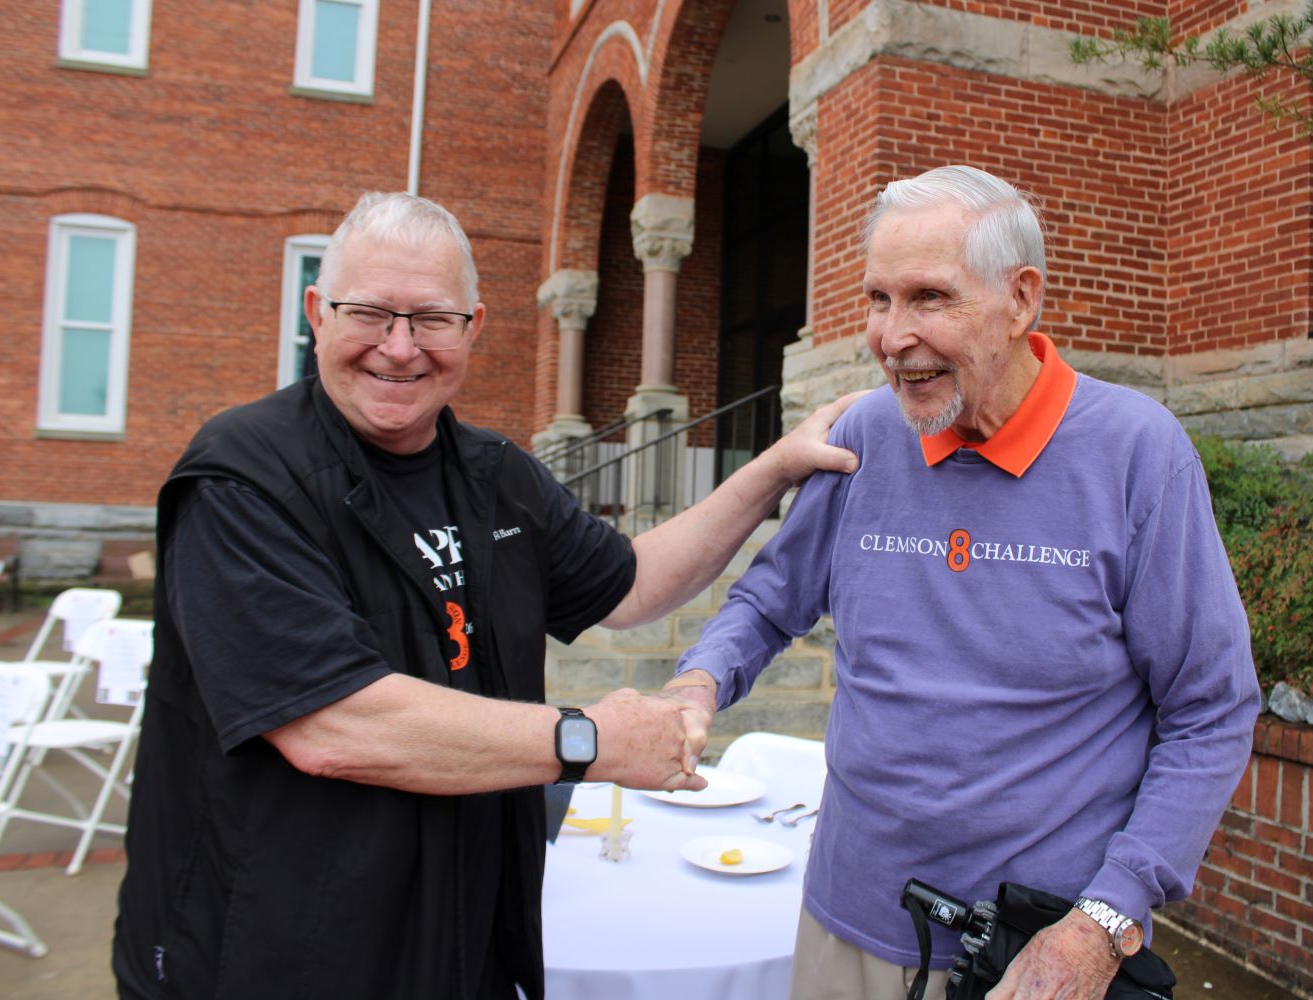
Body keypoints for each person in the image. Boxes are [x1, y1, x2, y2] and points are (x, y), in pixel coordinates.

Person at [112, 191, 860, 1000]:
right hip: (276, 950)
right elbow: (334, 726)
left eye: (431, 319)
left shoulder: (495, 476)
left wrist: (775, 468)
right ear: (316, 314)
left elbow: (632, 583)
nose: (399, 349)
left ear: (472, 326)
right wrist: (588, 741)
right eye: (370, 313)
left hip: (459, 933)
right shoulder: (243, 478)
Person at [664, 166, 1259, 1000]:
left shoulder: (1137, 454)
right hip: (846, 922)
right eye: (879, 299)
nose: (892, 336)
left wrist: (1104, 922)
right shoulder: (866, 435)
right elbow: (768, 600)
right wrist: (699, 681)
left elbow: (1212, 709)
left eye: (930, 298)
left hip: (1040, 951)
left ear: (1020, 301)